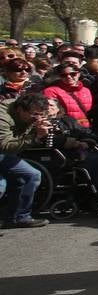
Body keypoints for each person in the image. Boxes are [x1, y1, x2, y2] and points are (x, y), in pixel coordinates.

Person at [0, 92, 51, 228]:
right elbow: (5, 146)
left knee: (28, 176)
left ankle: (18, 217)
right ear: (20, 110)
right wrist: (35, 137)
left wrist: (40, 132)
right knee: (2, 185)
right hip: (3, 151)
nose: (38, 118)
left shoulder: (30, 117)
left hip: (6, 154)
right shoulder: (2, 116)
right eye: (34, 114)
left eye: (41, 114)